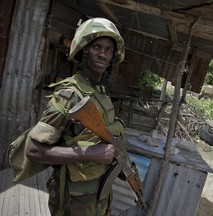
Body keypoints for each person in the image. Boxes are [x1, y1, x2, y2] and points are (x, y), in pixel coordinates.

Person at [26, 18, 126, 216]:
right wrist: (91, 153)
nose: (103, 54)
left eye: (108, 50)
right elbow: (33, 150)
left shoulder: (101, 93)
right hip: (72, 201)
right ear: (84, 50)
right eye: (97, 46)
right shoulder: (69, 94)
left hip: (97, 196)